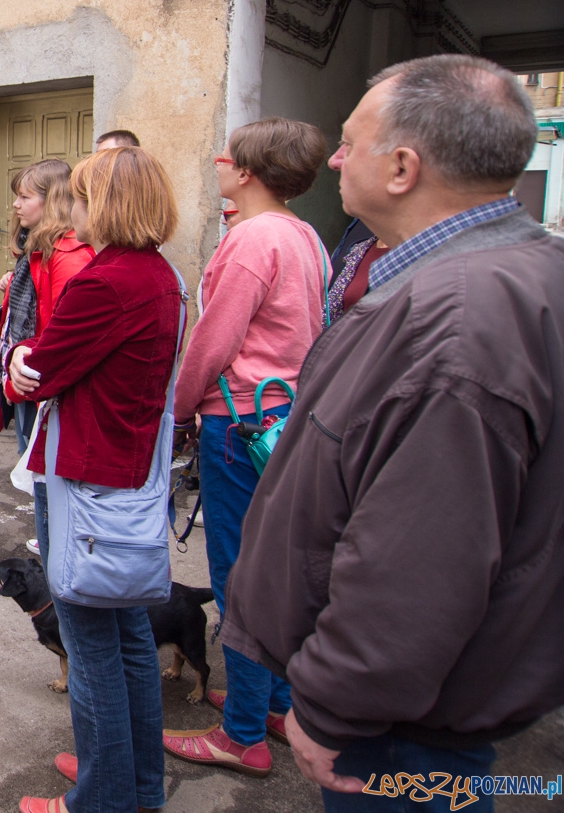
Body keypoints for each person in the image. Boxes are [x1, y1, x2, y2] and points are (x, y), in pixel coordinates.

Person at [222, 55, 563, 813]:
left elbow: (418, 561)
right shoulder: (503, 273)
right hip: (425, 705)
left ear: (403, 167)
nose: (335, 158)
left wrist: (335, 703)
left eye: (350, 142)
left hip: (398, 729)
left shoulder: (459, 320)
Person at [5, 146, 182, 813]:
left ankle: (101, 797)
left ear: (103, 204)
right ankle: (136, 786)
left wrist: (24, 358)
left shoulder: (107, 281)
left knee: (92, 647)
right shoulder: (160, 274)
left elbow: (41, 369)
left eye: (77, 198)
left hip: (86, 478)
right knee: (128, 634)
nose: (69, 211)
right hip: (126, 473)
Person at [160, 117, 329, 777]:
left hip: (240, 424)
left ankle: (241, 735)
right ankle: (275, 704)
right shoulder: (305, 235)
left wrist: (176, 411)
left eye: (228, 153)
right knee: (270, 571)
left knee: (239, 576)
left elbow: (213, 341)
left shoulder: (254, 238)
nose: (216, 157)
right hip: (283, 419)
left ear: (250, 170)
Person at [0, 159, 94, 555]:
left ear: (51, 201)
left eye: (24, 197)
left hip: (40, 381)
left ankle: (57, 556)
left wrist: (30, 368)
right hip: (29, 376)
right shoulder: (39, 252)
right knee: (37, 469)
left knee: (45, 474)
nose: (16, 205)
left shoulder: (66, 256)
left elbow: (58, 330)